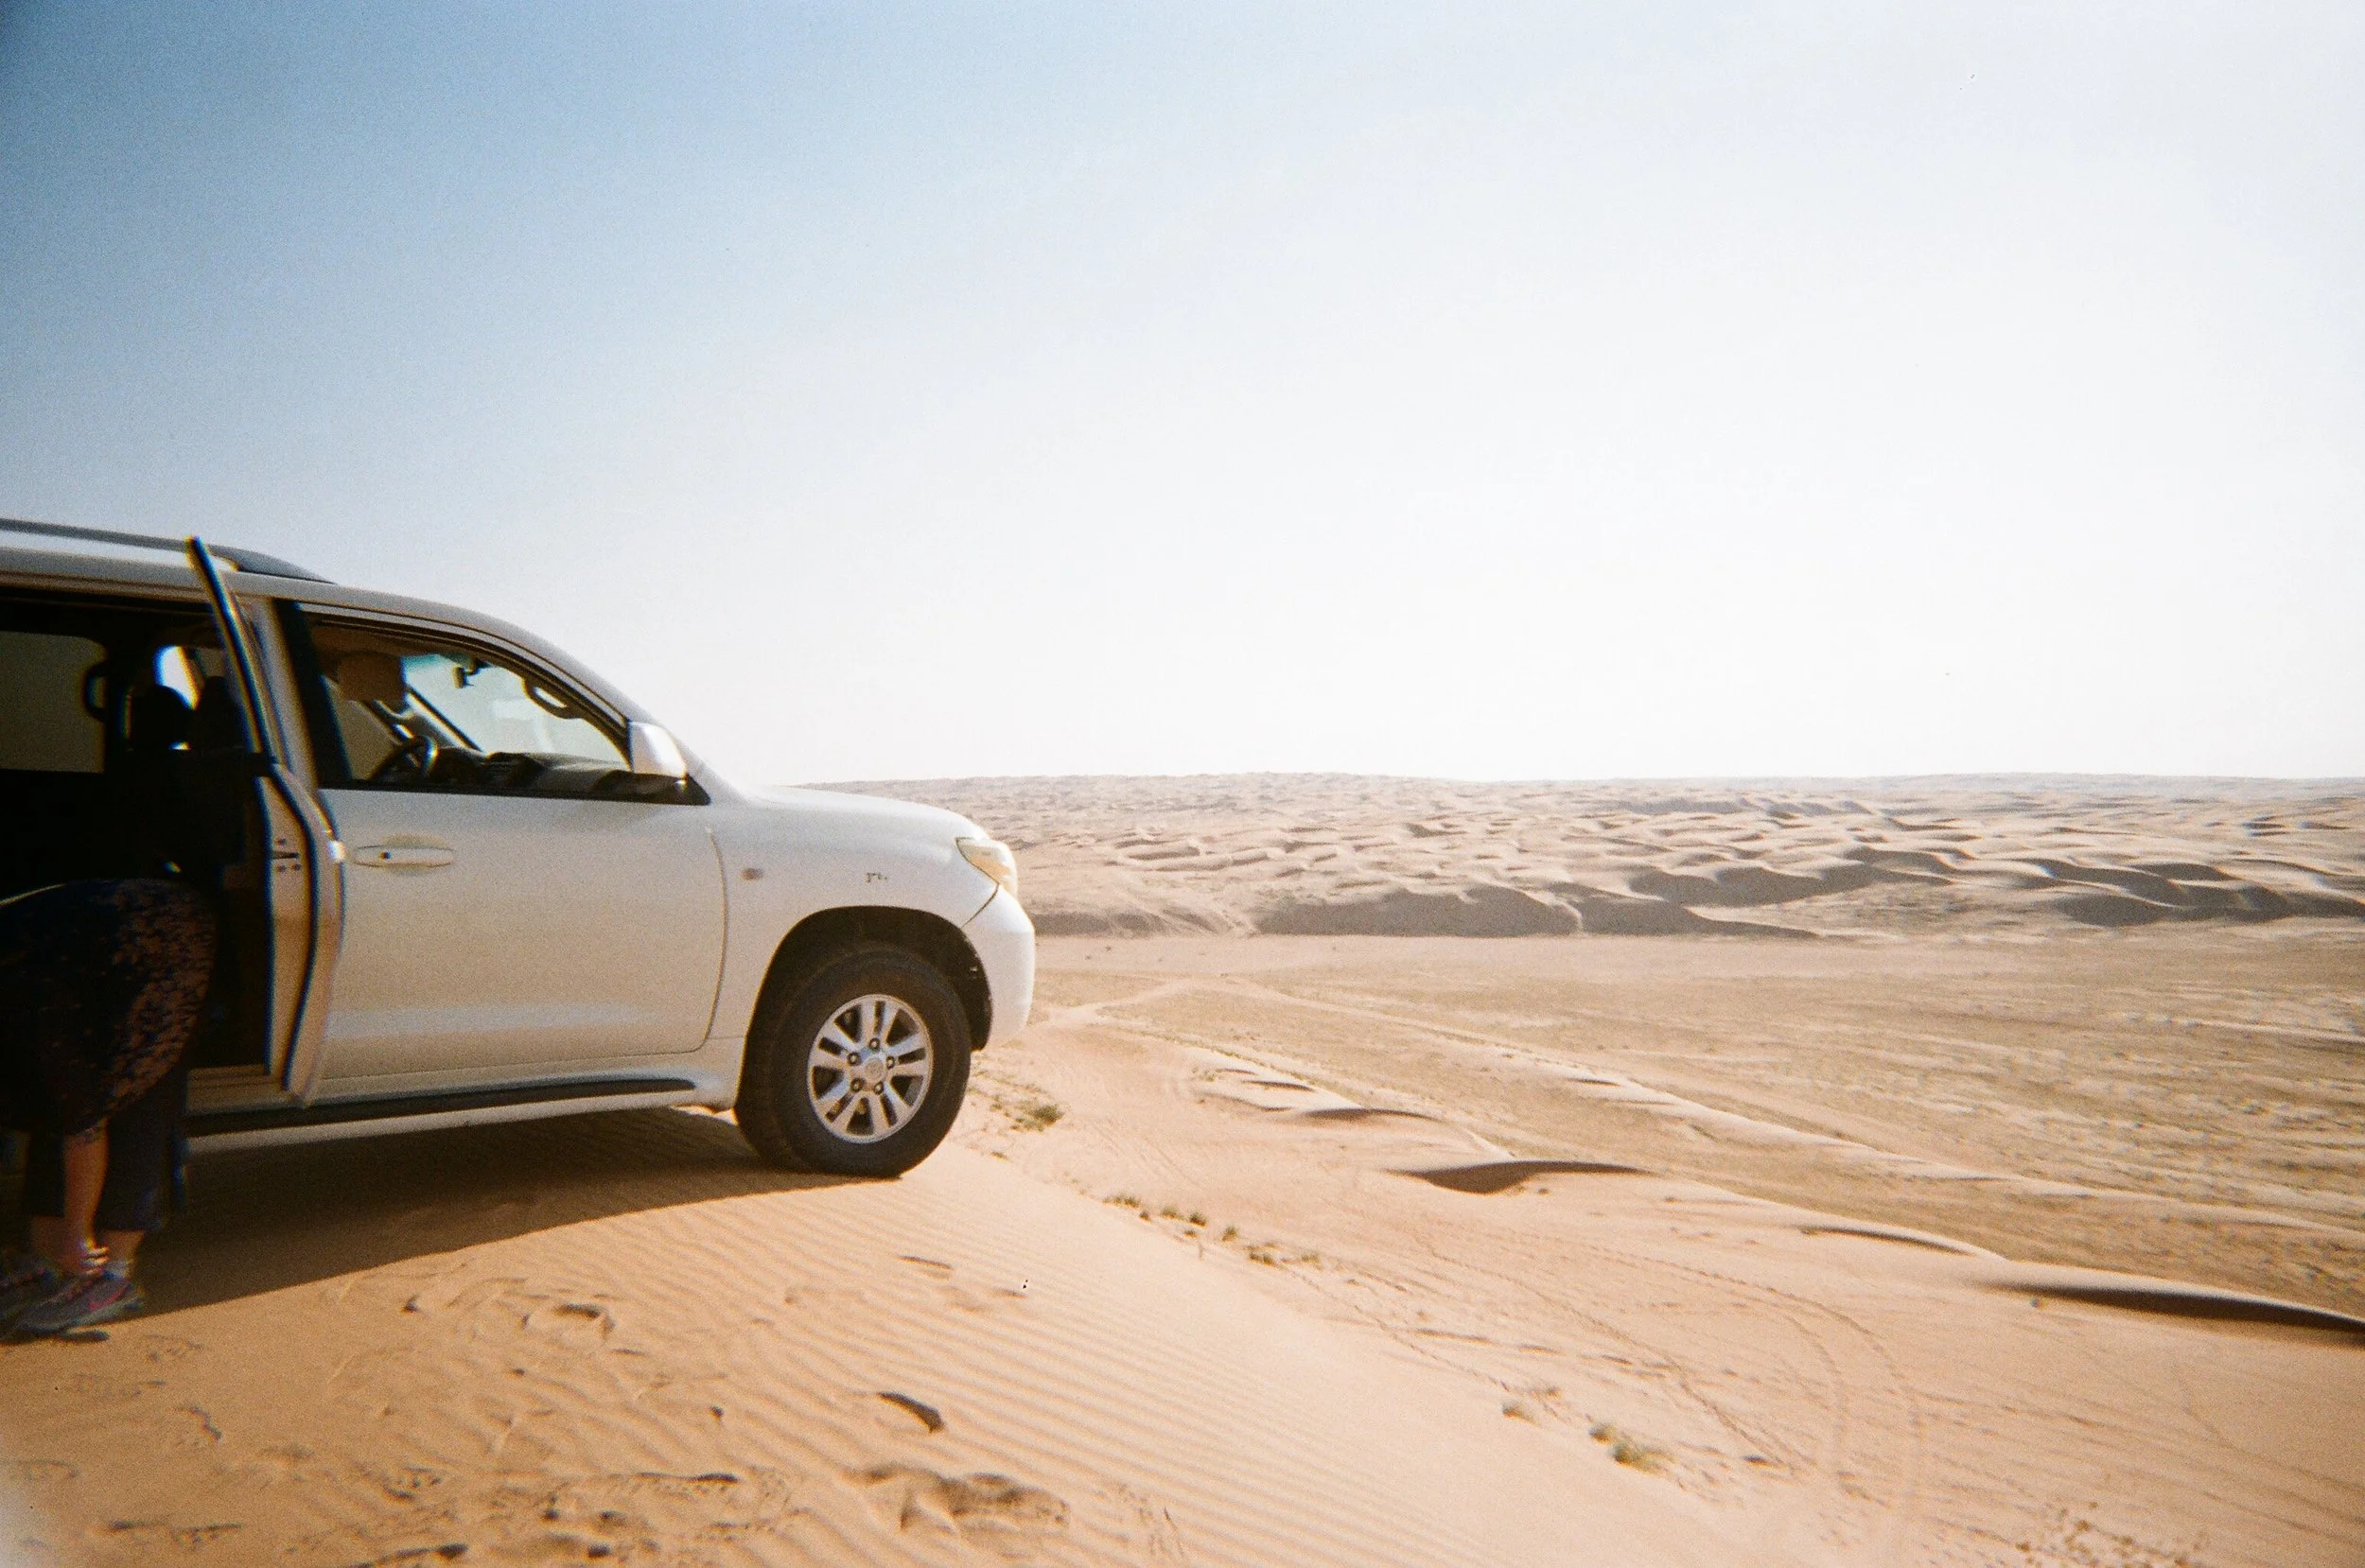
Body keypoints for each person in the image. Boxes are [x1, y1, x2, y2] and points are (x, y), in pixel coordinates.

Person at [0, 879, 217, 1335]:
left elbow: (83, 1127)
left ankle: (111, 1273)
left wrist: (79, 1231)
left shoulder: (35, 1026)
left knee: (135, 1093)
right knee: (48, 1106)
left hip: (157, 941)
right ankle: (45, 1263)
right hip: (72, 951)